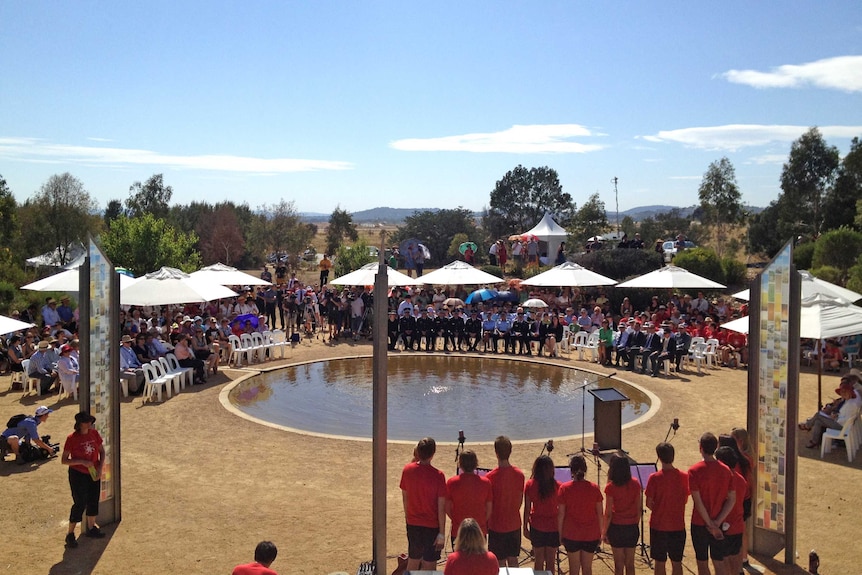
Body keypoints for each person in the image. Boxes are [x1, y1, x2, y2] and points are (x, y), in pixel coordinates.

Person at [688, 432, 735, 575]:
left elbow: (698, 501)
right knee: (719, 562)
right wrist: (717, 523)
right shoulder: (726, 470)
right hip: (718, 521)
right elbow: (731, 499)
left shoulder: (694, 470)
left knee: (702, 563)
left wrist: (709, 523)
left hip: (699, 523)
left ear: (700, 447)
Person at [400, 437, 447, 572]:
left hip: (413, 523)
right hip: (431, 527)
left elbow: (405, 499)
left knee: (413, 561)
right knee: (429, 566)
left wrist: (408, 518)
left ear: (417, 453)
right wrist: (442, 534)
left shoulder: (407, 470)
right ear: (433, 454)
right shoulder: (438, 475)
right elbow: (441, 507)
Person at [62, 411, 106, 547]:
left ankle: (91, 527)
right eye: (87, 422)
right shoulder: (72, 438)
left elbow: (102, 451)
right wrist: (81, 461)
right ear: (81, 424)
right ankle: (70, 533)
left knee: (93, 498)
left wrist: (99, 468)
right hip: (78, 474)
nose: (90, 423)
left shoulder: (94, 434)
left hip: (93, 472)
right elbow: (64, 460)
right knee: (79, 502)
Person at [645, 442, 689, 575]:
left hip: (659, 526)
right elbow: (685, 499)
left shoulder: (654, 478)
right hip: (678, 526)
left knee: (659, 562)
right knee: (677, 562)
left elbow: (648, 503)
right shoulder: (684, 476)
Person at [558, 454, 603, 575]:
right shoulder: (594, 488)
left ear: (571, 470)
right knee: (587, 569)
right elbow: (600, 514)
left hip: (571, 534)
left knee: (574, 569)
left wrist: (560, 534)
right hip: (591, 534)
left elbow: (561, 515)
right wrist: (601, 534)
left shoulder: (564, 488)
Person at [486, 436, 525, 568]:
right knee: (513, 560)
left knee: (499, 564)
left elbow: (488, 505)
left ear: (496, 453)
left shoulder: (489, 478)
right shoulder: (519, 475)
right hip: (513, 524)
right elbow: (520, 501)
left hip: (496, 525)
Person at [603, 453, 642, 575]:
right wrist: (634, 523)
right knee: (630, 564)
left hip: (616, 528)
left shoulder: (611, 487)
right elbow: (639, 509)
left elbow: (608, 513)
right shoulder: (635, 484)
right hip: (631, 527)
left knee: (618, 565)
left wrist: (604, 532)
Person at [799, 374, 862, 447]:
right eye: (842, 393)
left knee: (818, 415)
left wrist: (834, 417)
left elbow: (843, 419)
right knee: (818, 421)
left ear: (850, 392)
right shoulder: (850, 400)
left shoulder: (851, 404)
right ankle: (814, 441)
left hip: (841, 426)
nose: (843, 394)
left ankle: (807, 426)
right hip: (842, 423)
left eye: (845, 392)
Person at [523, 454, 560, 575]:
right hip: (553, 527)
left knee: (538, 561)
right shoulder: (558, 486)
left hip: (537, 526)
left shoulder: (530, 485)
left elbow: (527, 509)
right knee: (551, 562)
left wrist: (524, 527)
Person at [446, 450, 492, 543]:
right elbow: (489, 509)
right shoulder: (486, 483)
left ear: (460, 464)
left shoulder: (452, 482)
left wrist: (455, 519)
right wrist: (482, 521)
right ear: (476, 464)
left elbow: (447, 508)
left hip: (459, 529)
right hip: (479, 529)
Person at [713, 447, 747, 575]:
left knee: (722, 562)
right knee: (735, 560)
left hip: (724, 526)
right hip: (737, 526)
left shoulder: (723, 480)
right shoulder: (741, 480)